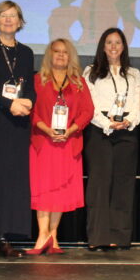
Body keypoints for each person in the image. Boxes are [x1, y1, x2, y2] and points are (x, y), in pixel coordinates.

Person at [0, 1, 36, 258]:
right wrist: (8, 103)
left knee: (13, 180)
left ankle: (4, 237)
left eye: (13, 16)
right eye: (3, 15)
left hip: (19, 124)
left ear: (20, 21)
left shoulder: (26, 52)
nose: (9, 20)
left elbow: (30, 86)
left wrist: (28, 102)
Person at [28, 38, 93, 254]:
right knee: (44, 189)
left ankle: (53, 236)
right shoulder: (37, 80)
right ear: (49, 55)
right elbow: (31, 110)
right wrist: (47, 130)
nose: (61, 55)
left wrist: (71, 129)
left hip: (68, 143)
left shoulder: (78, 83)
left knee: (61, 191)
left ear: (71, 56)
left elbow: (87, 111)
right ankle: (41, 235)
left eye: (65, 52)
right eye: (56, 51)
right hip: (44, 143)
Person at [82, 28, 140, 250]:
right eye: (109, 42)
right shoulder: (91, 71)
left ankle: (120, 236)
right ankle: (98, 237)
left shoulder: (134, 73)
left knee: (123, 184)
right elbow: (89, 103)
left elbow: (138, 103)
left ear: (124, 46)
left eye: (118, 42)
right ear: (103, 46)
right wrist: (108, 123)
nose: (114, 46)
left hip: (127, 131)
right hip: (100, 131)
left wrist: (130, 122)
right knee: (99, 184)